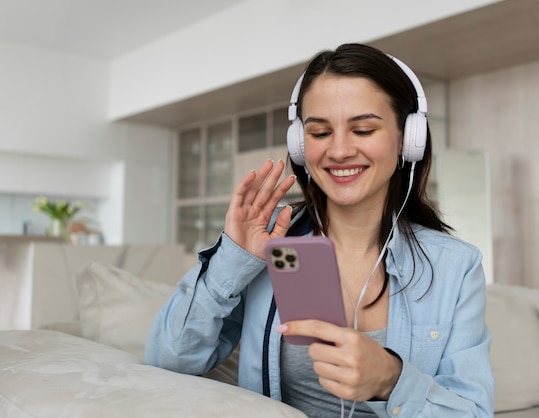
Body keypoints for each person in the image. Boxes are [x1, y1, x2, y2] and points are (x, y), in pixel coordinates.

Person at [145, 43, 494, 417]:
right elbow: (169, 362)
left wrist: (391, 381)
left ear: (408, 141)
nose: (339, 150)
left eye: (362, 129)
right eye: (320, 132)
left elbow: (472, 412)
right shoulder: (270, 247)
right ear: (300, 146)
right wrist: (233, 259)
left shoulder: (456, 267)